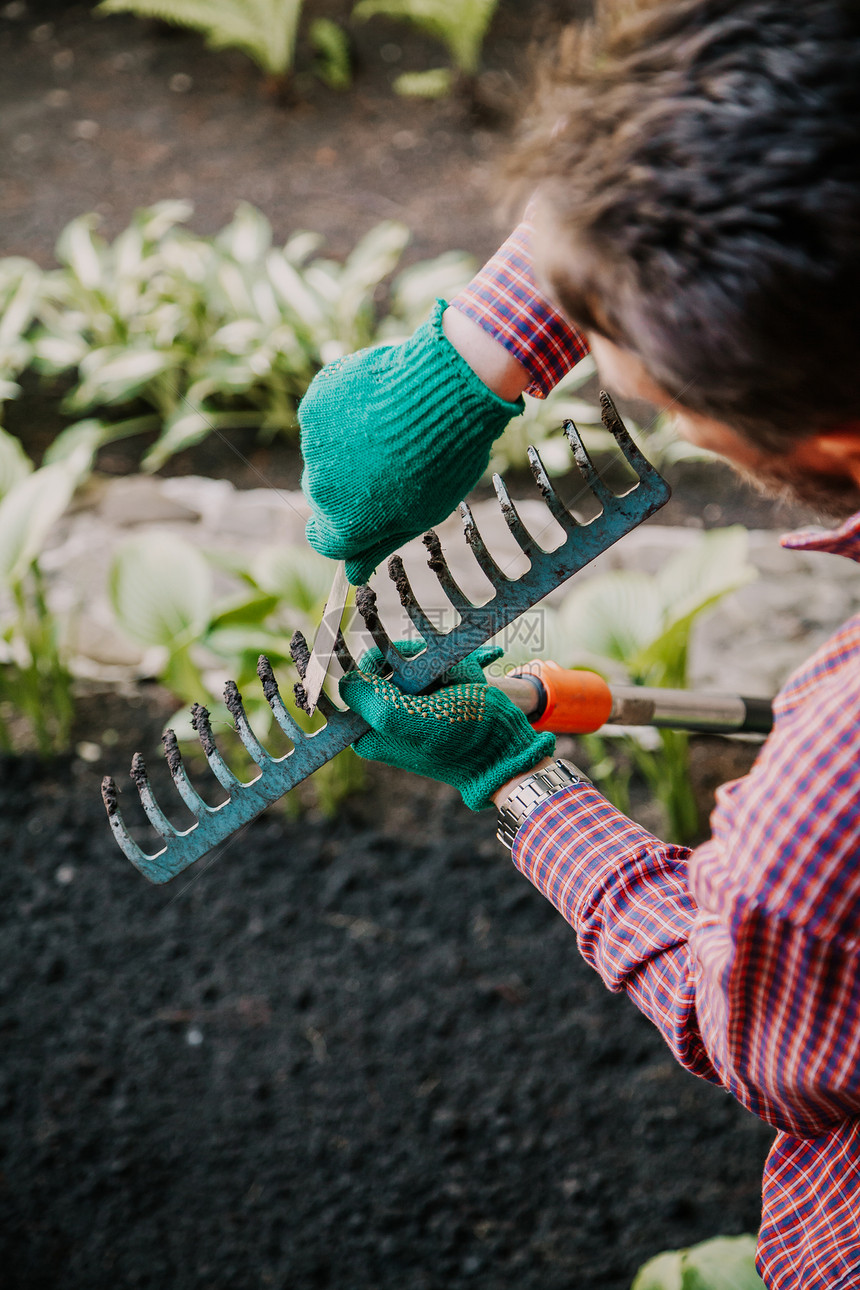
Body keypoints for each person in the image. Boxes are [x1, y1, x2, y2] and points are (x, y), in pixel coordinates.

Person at [298, 3, 860, 1286]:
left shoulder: (828, 782)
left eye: (649, 395)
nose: (601, 371)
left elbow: (755, 1033)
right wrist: (474, 354)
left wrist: (516, 777)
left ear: (818, 447)